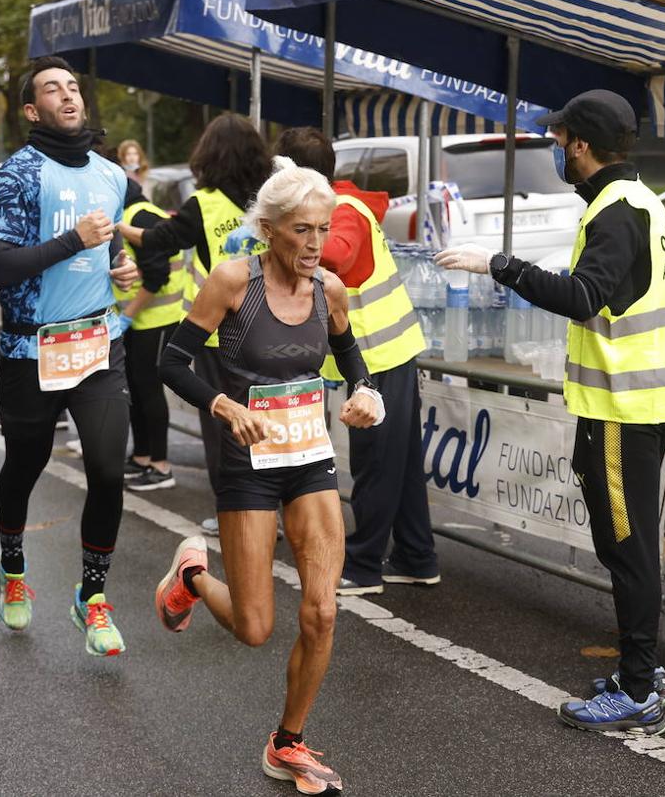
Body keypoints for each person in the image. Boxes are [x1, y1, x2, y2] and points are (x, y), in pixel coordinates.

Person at [437, 89, 665, 736]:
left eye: (559, 143)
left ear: (581, 145)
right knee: (627, 542)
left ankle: (639, 688)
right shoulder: (640, 200)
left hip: (625, 405)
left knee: (627, 546)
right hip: (637, 401)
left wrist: (499, 265)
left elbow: (584, 296)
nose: (556, 151)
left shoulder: (615, 211)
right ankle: (640, 673)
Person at [155, 158, 382, 795]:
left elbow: (352, 360)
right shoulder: (231, 282)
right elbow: (171, 363)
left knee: (321, 612)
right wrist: (222, 404)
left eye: (323, 229)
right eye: (302, 231)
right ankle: (193, 575)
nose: (315, 245)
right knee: (255, 627)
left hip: (309, 458)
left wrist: (366, 394)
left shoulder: (329, 290)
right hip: (248, 466)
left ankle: (287, 743)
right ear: (271, 229)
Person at [0, 55, 140, 657]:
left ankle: (91, 598)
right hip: (31, 349)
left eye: (73, 87)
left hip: (98, 343)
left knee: (106, 467)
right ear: (31, 109)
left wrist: (120, 267)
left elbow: (112, 248)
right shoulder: (15, 177)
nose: (68, 96)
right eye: (53, 89)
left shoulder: (110, 175)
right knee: (26, 464)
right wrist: (76, 240)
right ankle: (13, 570)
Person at [274, 127, 437, 597]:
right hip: (386, 350)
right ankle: (415, 556)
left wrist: (291, 238)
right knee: (400, 465)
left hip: (378, 354)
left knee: (377, 464)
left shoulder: (341, 212)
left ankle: (364, 563)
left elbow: (338, 255)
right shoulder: (343, 205)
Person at [118, 115, 273, 526]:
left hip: (219, 333)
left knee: (224, 423)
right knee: (267, 420)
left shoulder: (202, 204)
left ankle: (239, 518)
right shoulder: (270, 198)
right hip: (272, 325)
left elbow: (157, 240)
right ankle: (269, 513)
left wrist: (118, 227)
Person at [112, 175, 189, 491]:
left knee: (149, 389)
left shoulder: (139, 218)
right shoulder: (130, 215)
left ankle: (161, 465)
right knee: (135, 386)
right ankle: (141, 456)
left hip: (158, 318)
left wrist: (127, 316)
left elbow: (156, 276)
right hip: (142, 319)